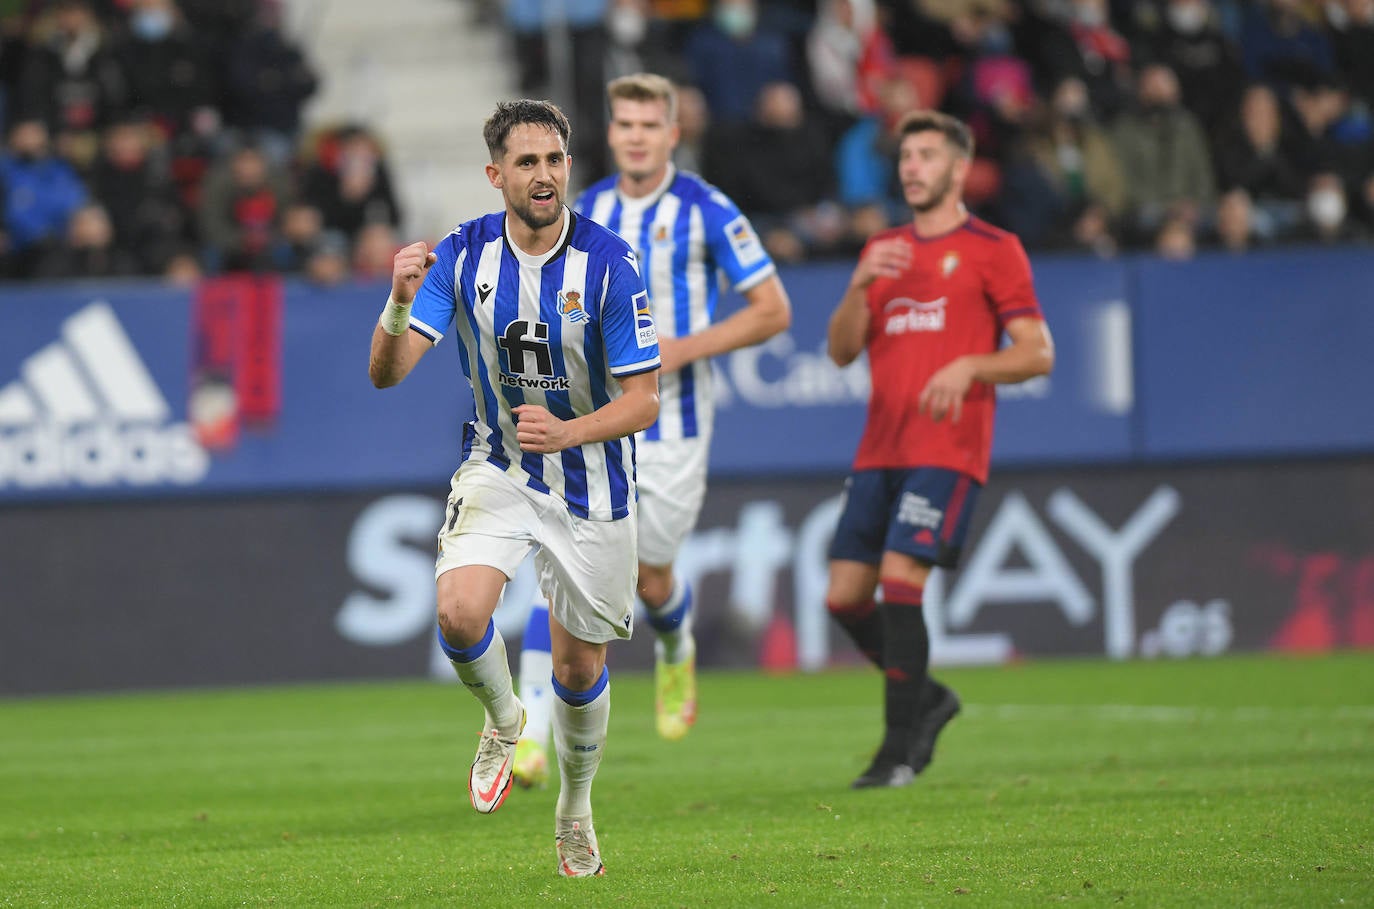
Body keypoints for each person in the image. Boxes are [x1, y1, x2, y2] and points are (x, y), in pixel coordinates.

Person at [367, 99, 661, 876]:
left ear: (569, 167)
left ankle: (575, 804)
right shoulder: (463, 257)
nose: (543, 175)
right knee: (460, 610)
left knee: (576, 668)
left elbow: (644, 399)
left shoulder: (610, 263)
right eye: (527, 163)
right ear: (496, 174)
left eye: (555, 160)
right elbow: (387, 373)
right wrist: (397, 302)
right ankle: (503, 716)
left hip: (591, 478)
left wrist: (569, 431)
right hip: (499, 464)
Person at [511, 72, 792, 786]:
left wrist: (679, 348)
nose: (635, 136)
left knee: (651, 572)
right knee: (564, 566)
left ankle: (675, 646)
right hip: (595, 417)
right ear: (611, 133)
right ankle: (530, 734)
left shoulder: (708, 209)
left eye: (648, 125)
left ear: (673, 133)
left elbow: (772, 309)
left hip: (674, 424)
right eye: (624, 125)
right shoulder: (587, 208)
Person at [824, 110, 1054, 789]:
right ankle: (930, 698)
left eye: (927, 155)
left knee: (901, 580)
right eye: (907, 156)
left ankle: (899, 748)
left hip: (947, 450)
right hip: (878, 451)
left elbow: (1037, 352)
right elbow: (840, 351)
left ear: (958, 168)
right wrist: (859, 284)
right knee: (844, 597)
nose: (912, 167)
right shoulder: (884, 250)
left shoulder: (993, 247)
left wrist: (970, 368)